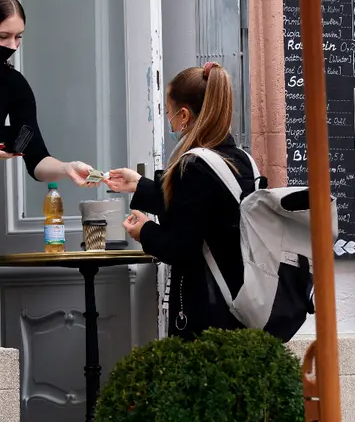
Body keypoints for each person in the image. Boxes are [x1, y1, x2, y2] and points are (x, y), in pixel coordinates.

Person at [105, 62, 255, 340]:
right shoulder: (241, 160)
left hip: (206, 311)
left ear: (184, 115)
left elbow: (181, 247)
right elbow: (200, 211)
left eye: (168, 112)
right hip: (240, 303)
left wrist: (144, 231)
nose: (169, 121)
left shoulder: (194, 165)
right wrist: (139, 185)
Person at [0, 0, 96, 186]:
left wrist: (67, 168)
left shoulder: (14, 83)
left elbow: (37, 158)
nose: (13, 46)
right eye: (3, 36)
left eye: (18, 37)